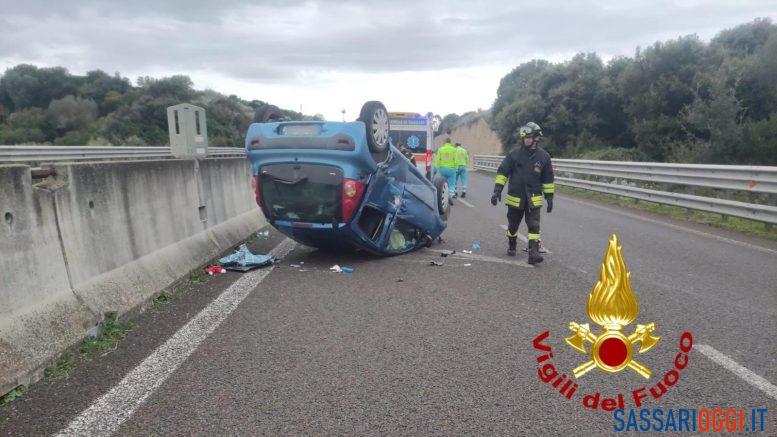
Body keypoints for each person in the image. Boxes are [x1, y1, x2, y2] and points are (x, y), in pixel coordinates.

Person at [490, 122, 554, 264]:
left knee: (534, 225)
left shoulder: (544, 157)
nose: (526, 140)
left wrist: (549, 197)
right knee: (513, 226)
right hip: (515, 198)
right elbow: (503, 172)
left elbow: (548, 179)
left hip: (533, 199)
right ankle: (512, 243)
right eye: (525, 138)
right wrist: (497, 191)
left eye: (529, 137)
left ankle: (534, 253)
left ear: (537, 138)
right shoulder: (514, 155)